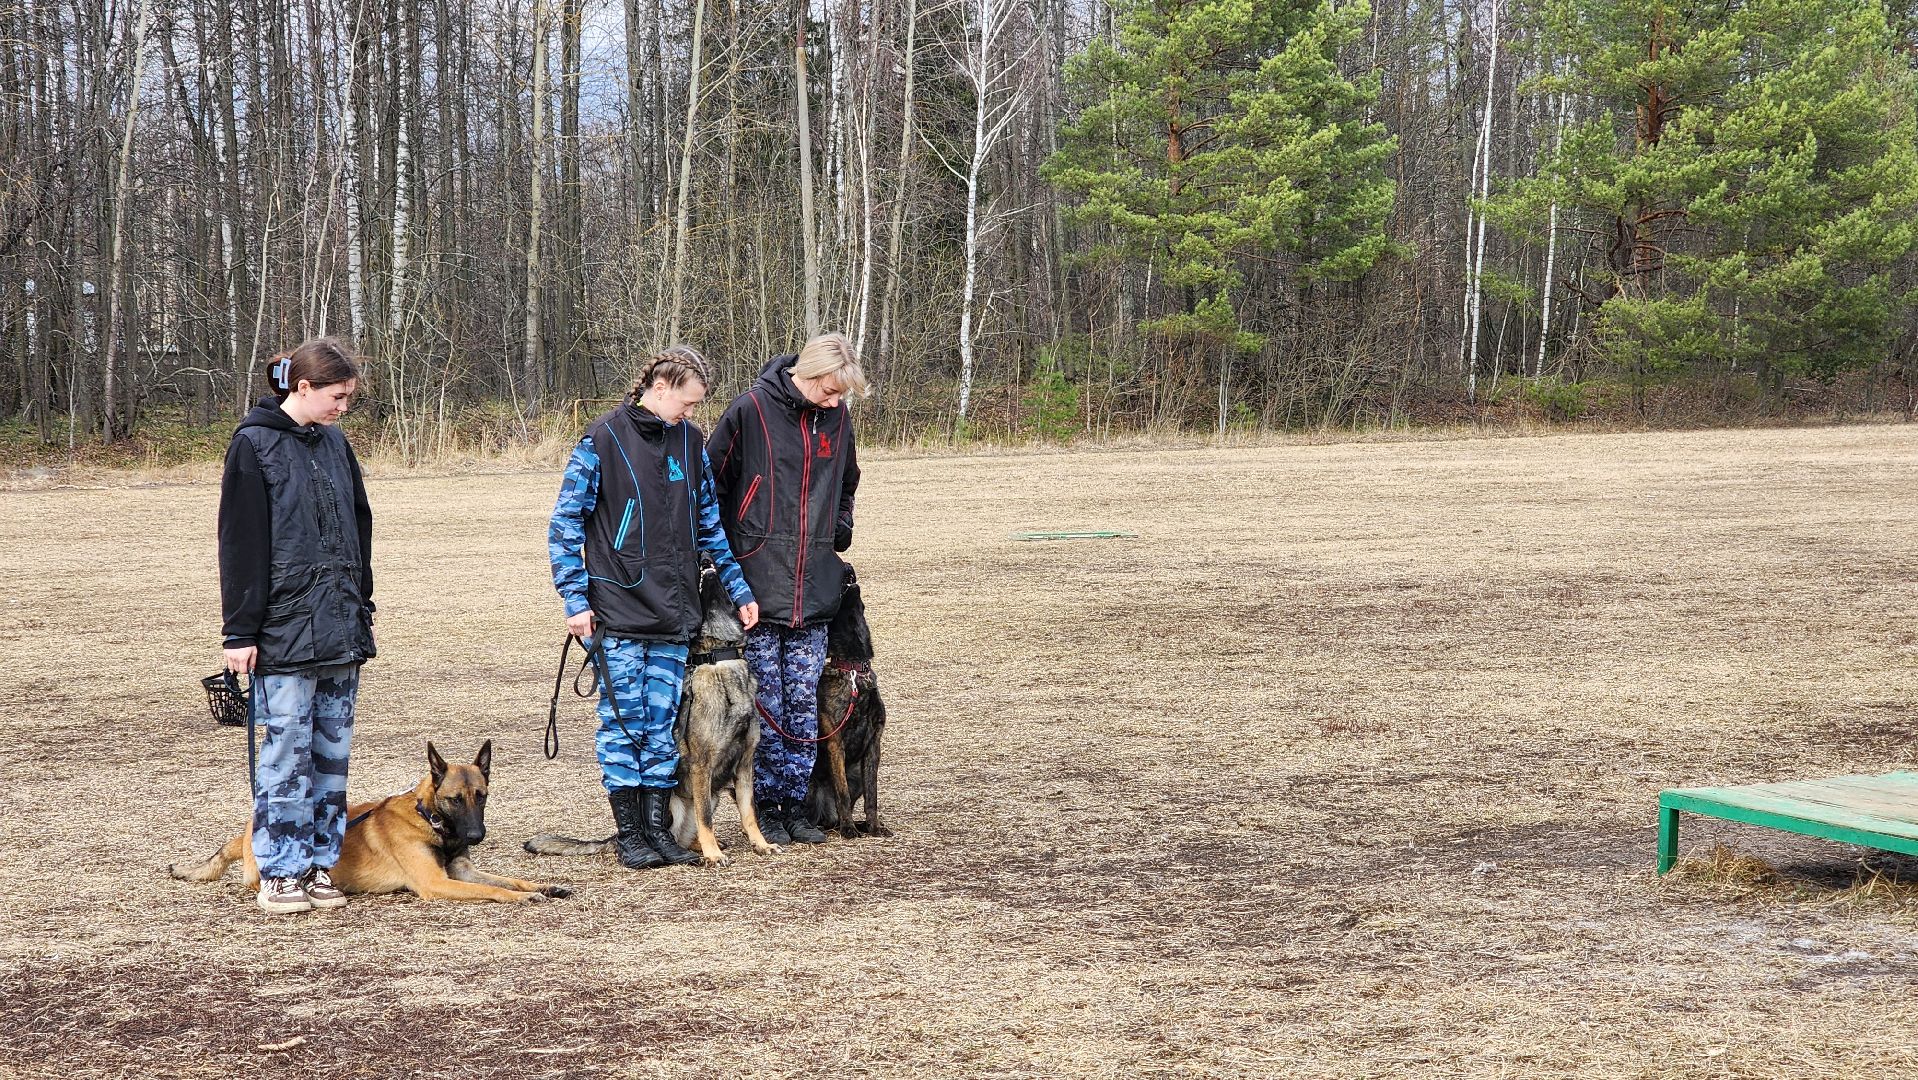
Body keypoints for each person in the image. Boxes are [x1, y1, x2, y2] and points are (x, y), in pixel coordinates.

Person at [549, 345, 760, 870]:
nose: (691, 412)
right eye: (687, 402)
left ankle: (657, 832)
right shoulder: (601, 440)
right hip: (618, 610)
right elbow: (565, 525)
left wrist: (739, 590)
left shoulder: (691, 443)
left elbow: (710, 525)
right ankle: (630, 836)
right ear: (660, 387)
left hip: (676, 614)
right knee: (625, 726)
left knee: (664, 729)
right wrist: (575, 600)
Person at [218, 338, 376, 915]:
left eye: (348, 398)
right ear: (303, 387)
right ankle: (279, 871)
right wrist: (240, 632)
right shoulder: (252, 444)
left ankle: (318, 863)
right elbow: (240, 544)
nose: (343, 407)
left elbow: (359, 524)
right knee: (286, 753)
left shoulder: (335, 442)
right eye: (337, 397)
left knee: (332, 755)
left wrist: (362, 600)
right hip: (282, 631)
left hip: (340, 626)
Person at [708, 332, 869, 846]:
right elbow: (712, 485)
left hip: (815, 585)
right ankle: (763, 809)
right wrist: (724, 556)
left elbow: (848, 481)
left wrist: (839, 526)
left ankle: (795, 806)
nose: (836, 402)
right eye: (831, 391)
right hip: (755, 583)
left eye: (842, 395)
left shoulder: (838, 420)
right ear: (811, 374)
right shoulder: (750, 410)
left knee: (802, 704)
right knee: (766, 706)